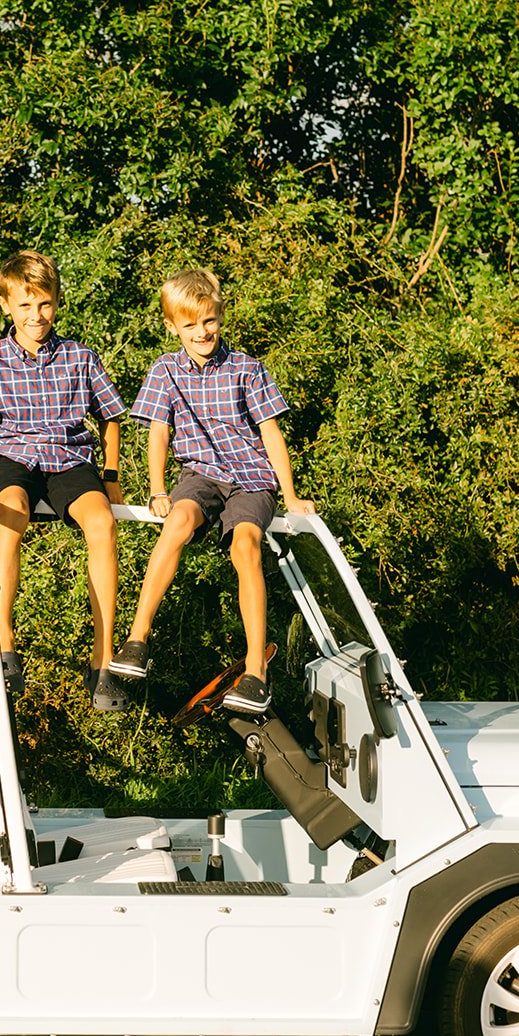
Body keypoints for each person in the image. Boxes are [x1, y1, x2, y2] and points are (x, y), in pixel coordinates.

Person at [112, 267, 314, 714]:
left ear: (220, 317)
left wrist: (292, 494)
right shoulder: (165, 370)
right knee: (178, 522)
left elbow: (271, 434)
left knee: (246, 546)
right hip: (199, 475)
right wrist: (157, 488)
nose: (202, 332)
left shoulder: (246, 369)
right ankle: (136, 639)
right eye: (191, 325)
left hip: (250, 478)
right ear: (172, 327)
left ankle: (257, 672)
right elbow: (159, 434)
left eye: (210, 322)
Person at [0, 250, 128, 710]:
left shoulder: (79, 356)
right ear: (6, 306)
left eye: (44, 304)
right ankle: (3, 647)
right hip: (12, 454)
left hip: (69, 455)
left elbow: (111, 418)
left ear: (56, 303)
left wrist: (110, 474)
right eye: (26, 306)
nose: (36, 315)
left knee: (103, 524)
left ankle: (104, 658)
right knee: (12, 512)